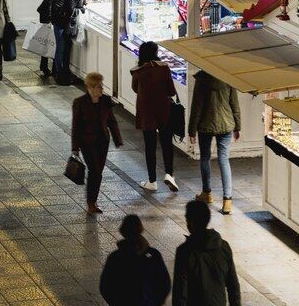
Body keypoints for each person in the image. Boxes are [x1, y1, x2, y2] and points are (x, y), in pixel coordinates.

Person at [188, 70, 241, 215]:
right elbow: (234, 104)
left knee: (205, 158)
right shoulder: (228, 77)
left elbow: (196, 107)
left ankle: (207, 193)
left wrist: (192, 130)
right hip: (226, 123)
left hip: (206, 124)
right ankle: (227, 201)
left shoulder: (201, 80)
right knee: (224, 159)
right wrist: (237, 126)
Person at [71, 72, 123, 215]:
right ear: (91, 88)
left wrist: (117, 139)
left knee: (98, 172)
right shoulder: (80, 103)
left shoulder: (105, 101)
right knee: (94, 171)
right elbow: (76, 126)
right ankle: (91, 203)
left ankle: (92, 200)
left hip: (102, 141)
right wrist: (75, 148)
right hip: (87, 143)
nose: (102, 89)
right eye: (99, 87)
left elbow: (111, 121)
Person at [172, 201, 240, 306]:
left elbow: (180, 292)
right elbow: (233, 286)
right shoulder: (223, 247)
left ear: (191, 222)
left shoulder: (184, 252)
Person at [131, 41, 178, 193]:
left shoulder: (137, 71)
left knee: (150, 147)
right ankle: (170, 175)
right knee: (166, 144)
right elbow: (171, 91)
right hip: (164, 111)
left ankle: (152, 181)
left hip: (146, 113)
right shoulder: (164, 69)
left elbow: (135, 89)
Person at [100, 214, 171, 306]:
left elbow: (105, 286)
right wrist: (156, 302)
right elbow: (164, 283)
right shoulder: (153, 255)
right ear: (140, 230)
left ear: (123, 232)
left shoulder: (115, 257)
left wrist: (116, 302)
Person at [52, 0, 85, 85]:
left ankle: (62, 71)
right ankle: (59, 72)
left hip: (63, 24)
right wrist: (82, 9)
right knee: (61, 49)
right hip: (61, 24)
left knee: (64, 49)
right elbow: (70, 10)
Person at [36, 0, 66, 77]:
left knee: (49, 42)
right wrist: (49, 18)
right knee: (50, 42)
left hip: (50, 17)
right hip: (50, 18)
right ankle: (47, 67)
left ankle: (45, 66)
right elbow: (49, 0)